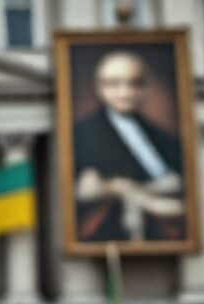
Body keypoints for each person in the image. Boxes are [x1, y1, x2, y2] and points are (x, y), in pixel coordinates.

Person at [73, 50, 184, 242]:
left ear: (147, 88)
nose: (125, 93)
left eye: (134, 84)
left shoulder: (162, 137)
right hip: (115, 230)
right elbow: (83, 191)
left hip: (166, 228)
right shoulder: (83, 134)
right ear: (99, 88)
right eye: (114, 84)